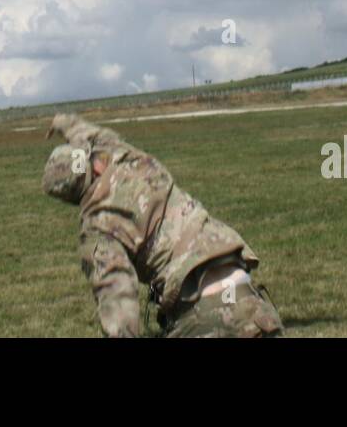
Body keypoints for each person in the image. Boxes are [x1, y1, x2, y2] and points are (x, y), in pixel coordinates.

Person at [42, 112, 283, 338]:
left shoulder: (97, 228)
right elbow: (95, 136)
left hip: (208, 319)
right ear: (95, 165)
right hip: (255, 306)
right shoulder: (130, 159)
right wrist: (65, 121)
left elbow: (117, 299)